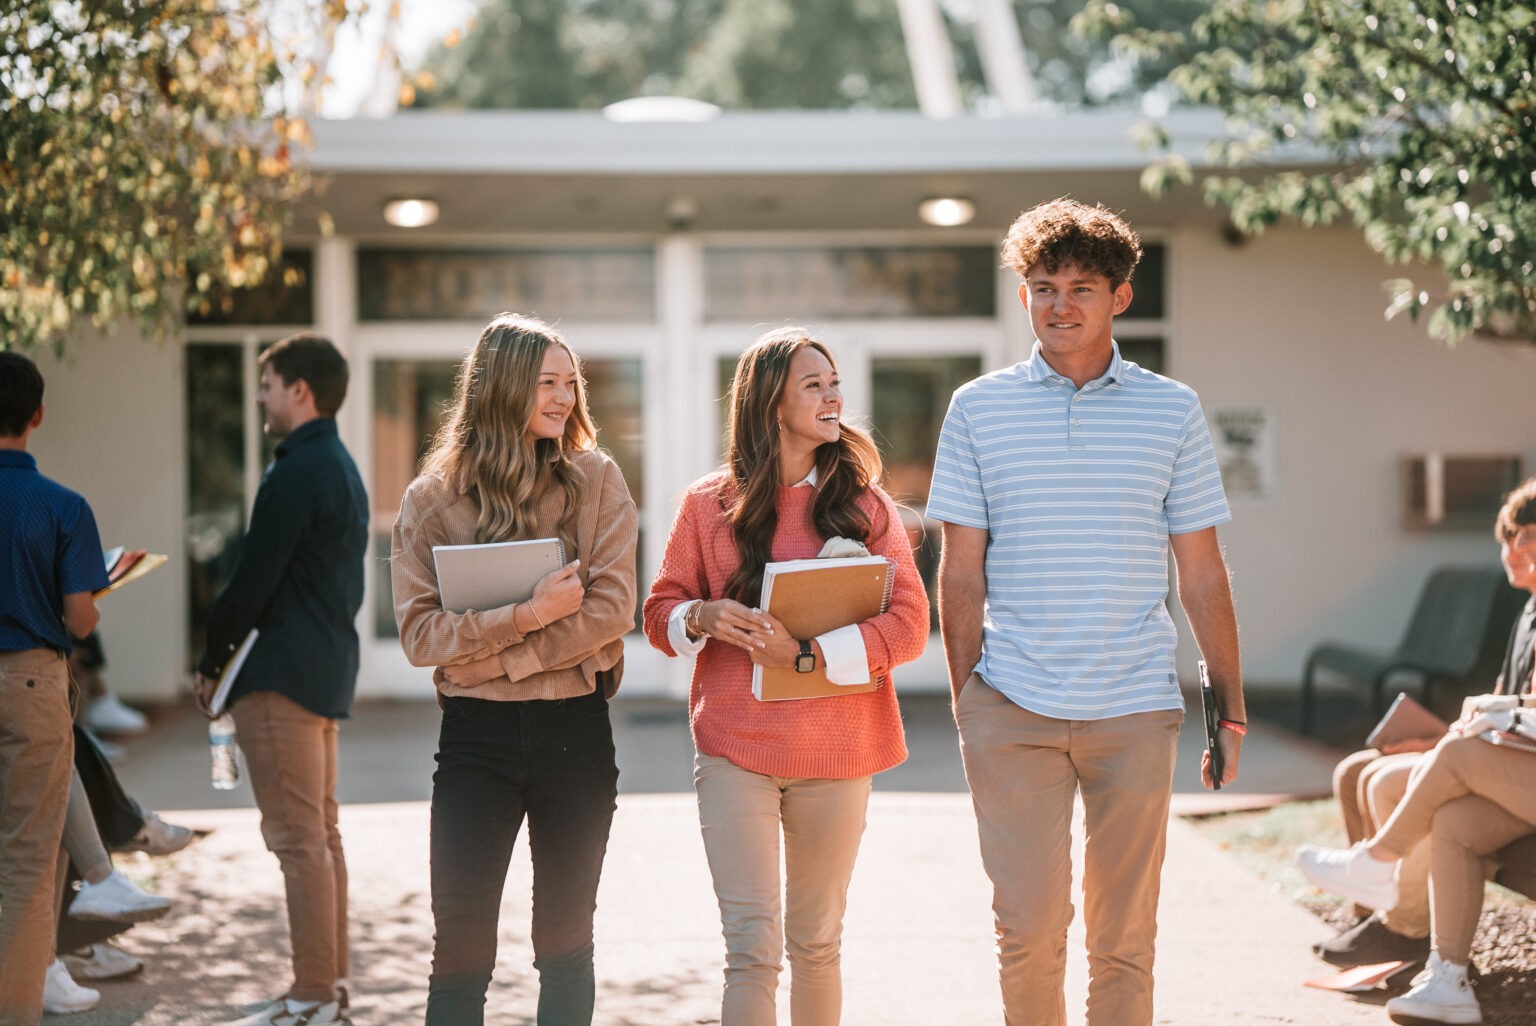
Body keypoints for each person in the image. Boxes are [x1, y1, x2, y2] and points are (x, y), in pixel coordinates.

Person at [927, 197, 1245, 1026]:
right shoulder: (978, 408)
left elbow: (1204, 574)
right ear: (1023, 295)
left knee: (1124, 936)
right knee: (1028, 932)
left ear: (1120, 297)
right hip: (1012, 704)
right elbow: (960, 570)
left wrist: (1231, 708)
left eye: (1080, 287)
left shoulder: (1171, 409)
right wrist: (968, 699)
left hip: (1135, 707)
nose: (1059, 305)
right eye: (1041, 287)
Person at [643, 327, 929, 1026]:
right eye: (815, 384)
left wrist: (808, 656)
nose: (834, 396)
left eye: (834, 383)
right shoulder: (706, 505)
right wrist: (702, 616)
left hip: (837, 750)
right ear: (772, 404)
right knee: (750, 946)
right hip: (735, 748)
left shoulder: (869, 507)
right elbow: (658, 611)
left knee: (817, 943)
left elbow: (911, 626)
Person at [391, 313, 637, 1026]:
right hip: (476, 742)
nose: (564, 399)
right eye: (547, 384)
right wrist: (528, 616)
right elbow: (419, 634)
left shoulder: (596, 480)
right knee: (461, 948)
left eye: (570, 383)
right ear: (500, 388)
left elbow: (611, 610)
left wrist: (496, 659)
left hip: (575, 735)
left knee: (565, 943)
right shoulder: (431, 500)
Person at [1298, 484, 1536, 1026]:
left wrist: (1487, 718)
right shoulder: (1528, 614)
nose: (1513, 549)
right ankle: (1447, 979)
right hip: (1524, 771)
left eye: (1526, 536)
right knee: (1451, 818)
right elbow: (1516, 713)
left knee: (1446, 758)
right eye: (1508, 538)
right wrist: (1476, 721)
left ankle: (1378, 872)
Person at [192, 333, 367, 1026]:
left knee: (299, 840)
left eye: (268, 383)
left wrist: (211, 663)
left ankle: (311, 996)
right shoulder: (340, 465)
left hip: (280, 677)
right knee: (320, 835)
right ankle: (329, 986)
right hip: (322, 672)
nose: (260, 395)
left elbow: (250, 580)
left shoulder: (296, 468)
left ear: (300, 390)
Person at [0, 350, 109, 1025]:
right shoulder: (64, 507)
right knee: (28, 864)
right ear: (38, 414)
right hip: (30, 680)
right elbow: (78, 616)